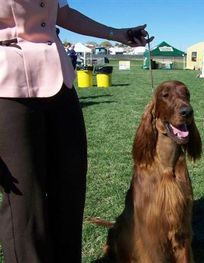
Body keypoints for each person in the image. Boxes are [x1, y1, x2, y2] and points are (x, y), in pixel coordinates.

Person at [0, 1, 153, 263]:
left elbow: (62, 13)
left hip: (60, 82)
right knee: (25, 203)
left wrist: (116, 34)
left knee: (70, 189)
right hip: (7, 83)